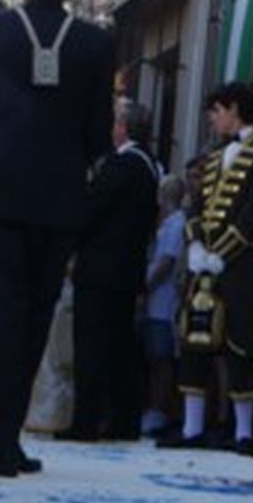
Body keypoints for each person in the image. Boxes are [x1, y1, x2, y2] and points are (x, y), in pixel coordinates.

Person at [0, 0, 116, 476]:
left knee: (3, 313)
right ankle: (11, 437)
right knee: (36, 318)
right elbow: (99, 132)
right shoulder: (95, 43)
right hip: (59, 200)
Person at [164, 82, 253, 453]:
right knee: (196, 340)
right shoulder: (213, 158)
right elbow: (196, 206)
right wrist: (197, 244)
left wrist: (222, 252)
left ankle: (246, 433)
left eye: (216, 111)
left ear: (234, 109)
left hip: (245, 265)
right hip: (206, 266)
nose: (212, 119)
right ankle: (191, 429)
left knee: (240, 342)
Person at [66, 98, 161, 441]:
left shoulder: (122, 165)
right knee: (122, 348)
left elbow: (93, 210)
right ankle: (124, 419)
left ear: (122, 128)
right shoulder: (150, 165)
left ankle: (86, 421)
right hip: (126, 269)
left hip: (101, 270)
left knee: (91, 344)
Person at [141, 174, 187, 437]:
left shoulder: (175, 225)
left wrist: (144, 284)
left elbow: (166, 262)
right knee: (153, 356)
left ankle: (160, 408)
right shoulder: (165, 223)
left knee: (162, 357)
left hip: (164, 301)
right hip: (154, 302)